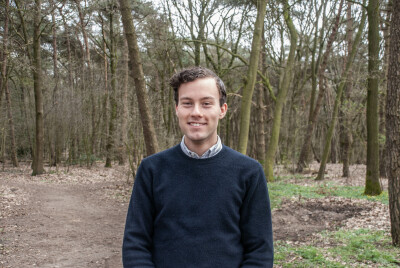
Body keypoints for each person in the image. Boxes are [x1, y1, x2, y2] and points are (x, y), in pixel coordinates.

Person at [122, 67, 274, 267]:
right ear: (177, 109)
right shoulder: (152, 169)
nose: (196, 112)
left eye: (206, 103)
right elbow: (135, 243)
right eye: (187, 103)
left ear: (222, 110)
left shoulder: (249, 172)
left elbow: (260, 251)